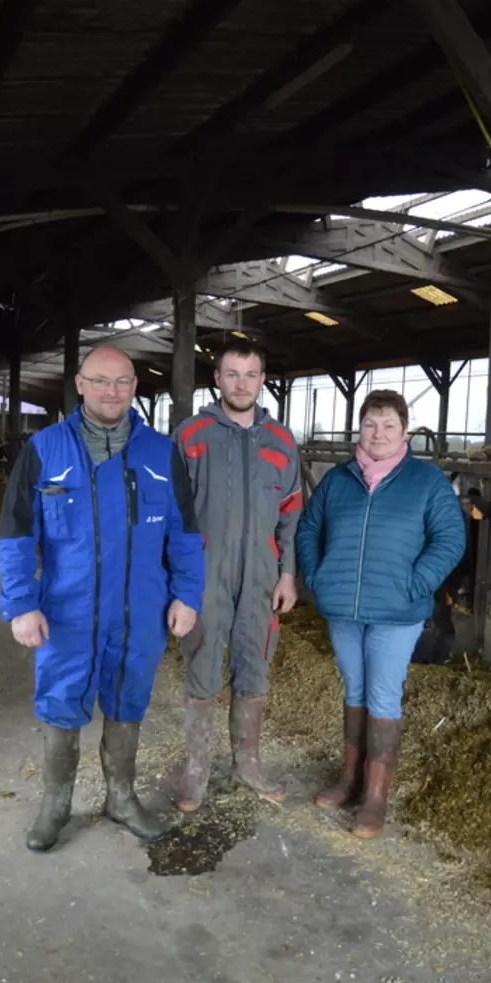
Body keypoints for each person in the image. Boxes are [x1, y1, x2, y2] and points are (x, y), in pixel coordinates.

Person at [0, 346, 204, 852]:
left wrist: (187, 594)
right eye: (101, 381)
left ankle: (121, 797)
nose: (113, 392)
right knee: (61, 702)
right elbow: (16, 535)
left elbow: (185, 533)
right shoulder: (45, 449)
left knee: (128, 699)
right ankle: (56, 804)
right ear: (80, 385)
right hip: (67, 611)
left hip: (139, 610)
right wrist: (21, 604)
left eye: (123, 382)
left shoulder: (160, 452)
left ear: (135, 387)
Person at [295, 390, 465, 839]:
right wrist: (316, 574)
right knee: (354, 689)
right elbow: (310, 526)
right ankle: (350, 779)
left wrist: (415, 583)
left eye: (389, 425)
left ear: (405, 432)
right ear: (360, 429)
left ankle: (375, 795)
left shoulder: (425, 482)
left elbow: (450, 539)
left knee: (383, 694)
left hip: (396, 611)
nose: (379, 434)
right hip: (344, 607)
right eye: (371, 424)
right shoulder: (338, 479)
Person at [173, 346, 302, 812]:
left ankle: (247, 765)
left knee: (255, 660)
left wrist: (288, 574)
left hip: (263, 574)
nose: (241, 383)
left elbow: (291, 515)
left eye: (250, 375)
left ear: (263, 378)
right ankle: (197, 769)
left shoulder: (283, 441)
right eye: (232, 374)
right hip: (206, 571)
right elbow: (176, 514)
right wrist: (179, 584)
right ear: (217, 378)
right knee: (203, 659)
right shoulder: (191, 434)